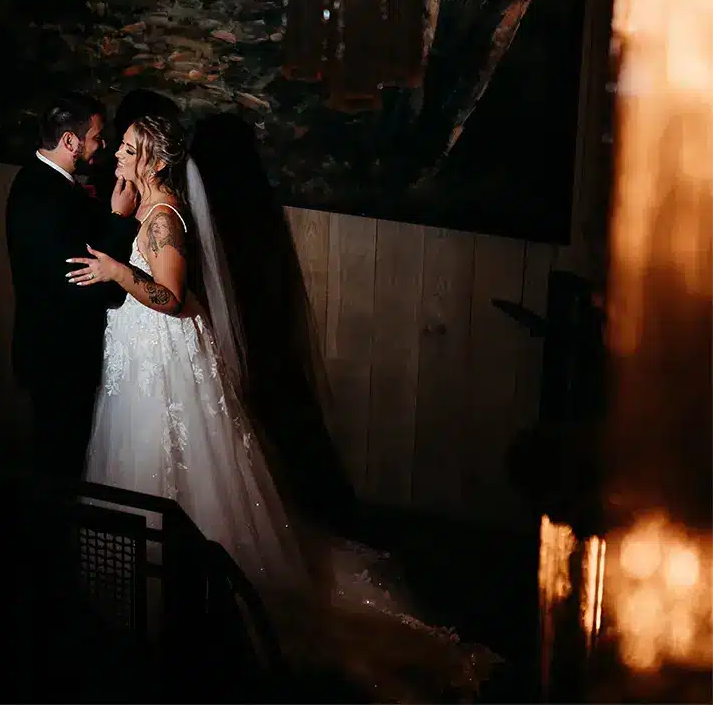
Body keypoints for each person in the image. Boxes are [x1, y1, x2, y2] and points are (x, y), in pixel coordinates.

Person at [67, 113, 495, 697]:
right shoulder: (144, 207)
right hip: (142, 356)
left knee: (179, 463)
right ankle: (144, 592)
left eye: (128, 149)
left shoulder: (164, 216)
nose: (117, 155)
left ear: (156, 161)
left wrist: (116, 270)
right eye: (118, 146)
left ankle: (186, 602)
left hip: (163, 359)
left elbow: (168, 296)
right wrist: (120, 221)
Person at [5, 92, 139, 482]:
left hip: (51, 348)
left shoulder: (39, 180)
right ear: (70, 141)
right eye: (96, 137)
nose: (103, 145)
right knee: (60, 464)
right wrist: (119, 220)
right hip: (61, 357)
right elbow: (90, 283)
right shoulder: (47, 199)